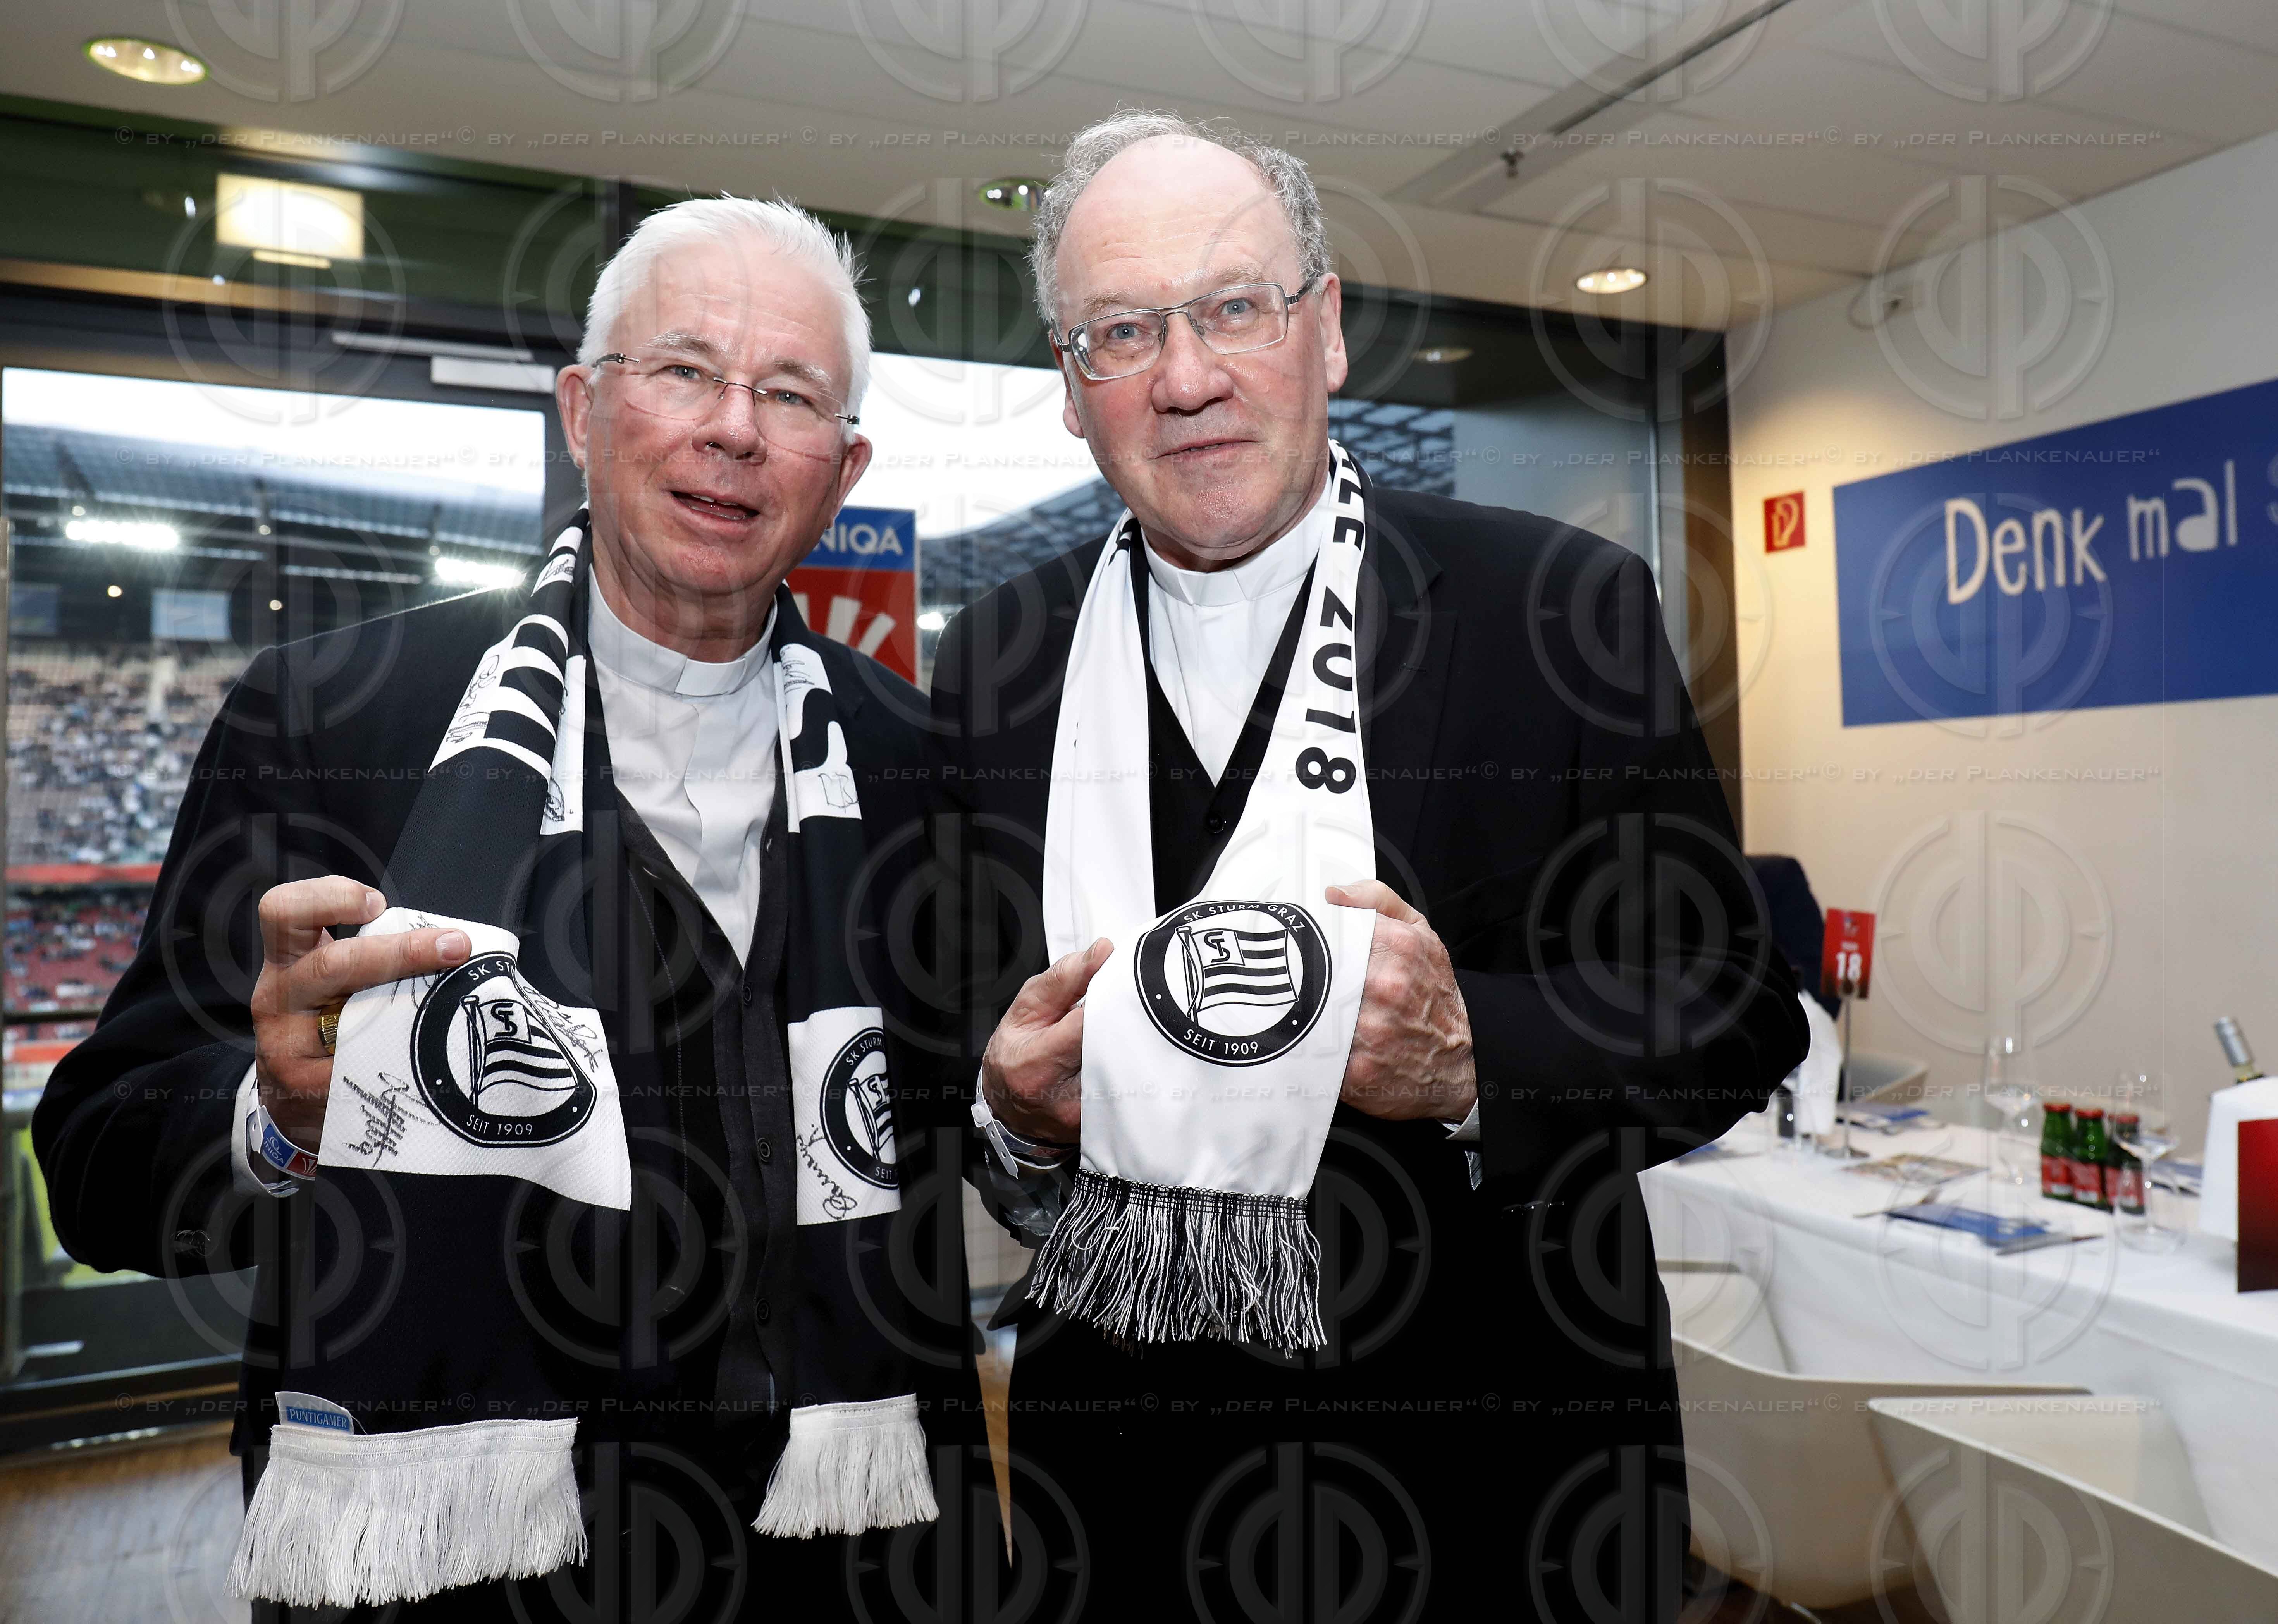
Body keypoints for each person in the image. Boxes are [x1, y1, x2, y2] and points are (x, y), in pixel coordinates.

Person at [33, 197, 971, 1622]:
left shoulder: (912, 761)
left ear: (840, 472)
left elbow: (972, 1130)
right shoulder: (332, 717)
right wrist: (276, 1111)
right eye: (683, 371)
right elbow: (101, 1158)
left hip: (836, 1539)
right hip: (457, 1558)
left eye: (789, 396)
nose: (733, 428)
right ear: (583, 411)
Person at [932, 112, 1810, 1620]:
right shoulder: (994, 665)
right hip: (1130, 1500)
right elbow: (960, 1039)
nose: (1187, 375)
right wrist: (1009, 1111)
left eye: (1231, 309)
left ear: (1325, 330)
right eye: (1122, 332)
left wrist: (1477, 1054)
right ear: (1074, 393)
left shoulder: (1561, 607)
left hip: (1502, 1494)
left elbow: (1733, 1006)